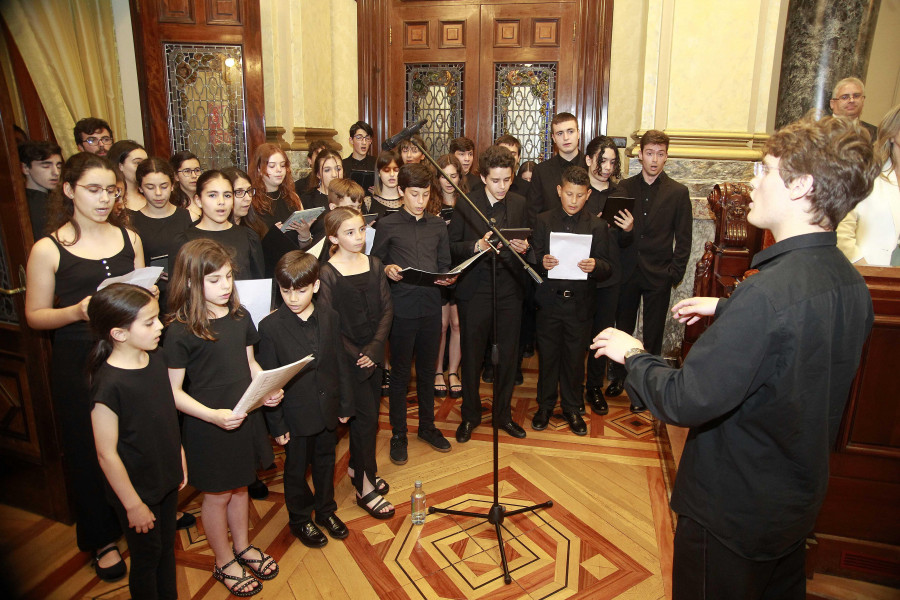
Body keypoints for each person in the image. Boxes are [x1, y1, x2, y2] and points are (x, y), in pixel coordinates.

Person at [591, 115, 878, 600]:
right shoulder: (849, 282)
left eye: (765, 170)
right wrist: (725, 305)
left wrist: (635, 354)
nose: (752, 182)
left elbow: (685, 399)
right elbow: (795, 337)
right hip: (793, 502)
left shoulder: (767, 295)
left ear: (801, 186)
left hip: (732, 510)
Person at [25, 152, 150, 582]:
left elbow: (140, 300)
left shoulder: (128, 238)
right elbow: (35, 315)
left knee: (134, 442)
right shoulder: (49, 248)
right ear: (69, 190)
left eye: (111, 190)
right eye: (93, 190)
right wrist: (77, 311)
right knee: (88, 449)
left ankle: (140, 512)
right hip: (79, 357)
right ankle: (100, 538)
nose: (103, 199)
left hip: (128, 354)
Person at [164, 238, 282, 597]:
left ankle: (243, 547)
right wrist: (212, 416)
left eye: (228, 277)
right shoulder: (180, 330)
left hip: (243, 416)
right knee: (216, 496)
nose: (225, 286)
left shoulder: (239, 316)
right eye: (214, 280)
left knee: (241, 486)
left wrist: (267, 388)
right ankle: (223, 559)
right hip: (208, 424)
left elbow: (250, 364)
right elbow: (173, 392)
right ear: (189, 282)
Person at [88, 284, 186, 600]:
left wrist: (179, 451)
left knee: (166, 550)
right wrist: (133, 505)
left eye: (157, 318)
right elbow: (106, 455)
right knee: (147, 558)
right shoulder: (109, 384)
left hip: (165, 473)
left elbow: (165, 414)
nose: (160, 327)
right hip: (136, 489)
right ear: (118, 333)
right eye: (149, 322)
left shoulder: (154, 358)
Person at [258, 251, 355, 547]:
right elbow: (270, 380)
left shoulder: (330, 316)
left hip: (326, 409)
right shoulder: (270, 327)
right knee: (296, 469)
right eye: (285, 290)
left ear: (315, 286)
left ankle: (325, 510)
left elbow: (339, 362)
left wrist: (345, 403)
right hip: (295, 415)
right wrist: (276, 424)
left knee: (326, 462)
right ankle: (300, 519)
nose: (292, 297)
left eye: (300, 290)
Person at [372, 163, 456, 465]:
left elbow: (444, 263)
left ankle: (427, 426)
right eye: (414, 195)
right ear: (402, 192)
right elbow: (375, 262)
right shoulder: (388, 224)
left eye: (424, 194)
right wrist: (386, 269)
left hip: (431, 307)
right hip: (402, 308)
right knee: (399, 374)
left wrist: (448, 276)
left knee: (427, 372)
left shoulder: (436, 225)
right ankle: (398, 432)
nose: (420, 201)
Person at [449, 145, 531, 442]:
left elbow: (528, 239)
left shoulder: (520, 202)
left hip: (510, 289)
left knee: (509, 357)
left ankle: (503, 416)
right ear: (483, 177)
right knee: (472, 357)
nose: (501, 187)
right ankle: (470, 415)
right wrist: (477, 245)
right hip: (476, 291)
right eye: (495, 180)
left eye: (507, 180)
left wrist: (525, 247)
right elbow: (451, 247)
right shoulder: (466, 204)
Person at [318, 208, 395, 519]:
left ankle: (358, 468)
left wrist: (375, 349)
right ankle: (364, 487)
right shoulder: (327, 273)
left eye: (361, 230)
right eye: (350, 232)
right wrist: (358, 355)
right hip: (346, 359)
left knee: (371, 419)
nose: (359, 237)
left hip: (372, 356)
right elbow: (329, 325)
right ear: (333, 237)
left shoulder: (374, 264)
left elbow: (387, 309)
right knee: (362, 422)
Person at [605, 129, 691, 407]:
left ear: (666, 157)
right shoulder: (624, 189)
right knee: (624, 327)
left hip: (659, 274)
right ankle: (619, 377)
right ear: (640, 155)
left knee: (653, 332)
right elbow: (616, 234)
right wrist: (627, 232)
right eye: (650, 153)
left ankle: (645, 387)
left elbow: (684, 239)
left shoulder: (678, 192)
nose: (654, 159)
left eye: (660, 154)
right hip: (628, 271)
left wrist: (673, 274)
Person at [531, 166, 611, 435]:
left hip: (580, 306)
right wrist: (541, 261)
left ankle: (573, 408)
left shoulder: (598, 226)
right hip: (549, 304)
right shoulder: (543, 220)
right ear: (559, 191)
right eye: (568, 194)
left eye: (579, 195)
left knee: (575, 360)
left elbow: (608, 266)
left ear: (588, 195)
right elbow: (532, 256)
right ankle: (544, 406)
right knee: (549, 357)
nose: (573, 201)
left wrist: (595, 265)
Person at [583, 136, 633, 414]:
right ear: (589, 160)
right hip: (581, 273)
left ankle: (594, 387)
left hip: (610, 275)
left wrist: (628, 230)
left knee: (602, 335)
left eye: (612, 162)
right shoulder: (578, 191)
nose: (607, 167)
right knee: (578, 335)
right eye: (602, 161)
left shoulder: (621, 193)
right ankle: (570, 387)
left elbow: (625, 244)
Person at [169, 170, 264, 280]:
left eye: (227, 195)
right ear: (198, 200)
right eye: (212, 195)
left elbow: (258, 284)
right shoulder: (184, 241)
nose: (221, 202)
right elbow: (177, 290)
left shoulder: (248, 237)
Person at [837, 103, 900, 266]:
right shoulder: (866, 174)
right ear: (892, 133)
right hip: (864, 274)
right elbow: (842, 234)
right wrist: (867, 271)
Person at [130, 158, 194, 310]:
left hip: (185, 296)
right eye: (150, 187)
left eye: (164, 186)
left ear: (172, 186)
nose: (158, 193)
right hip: (151, 297)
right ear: (140, 188)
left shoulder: (188, 217)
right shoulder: (132, 222)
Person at [432, 155, 465, 399]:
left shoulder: (467, 203)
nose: (448, 181)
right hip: (439, 267)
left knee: (457, 324)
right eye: (443, 176)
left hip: (463, 268)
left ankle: (453, 371)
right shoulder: (431, 203)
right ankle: (437, 372)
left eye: (453, 176)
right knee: (441, 326)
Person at [528, 112, 587, 221]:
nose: (566, 137)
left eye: (570, 131)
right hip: (549, 234)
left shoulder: (591, 166)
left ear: (578, 134)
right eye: (560, 133)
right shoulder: (541, 171)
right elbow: (533, 213)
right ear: (553, 138)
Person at [18, 139, 63, 240]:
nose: (55, 172)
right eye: (46, 166)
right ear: (25, 168)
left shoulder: (57, 199)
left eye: (59, 166)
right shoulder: (22, 206)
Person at [830, 76, 878, 141]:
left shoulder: (875, 134)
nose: (852, 100)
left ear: (863, 100)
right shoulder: (819, 130)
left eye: (856, 96)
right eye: (844, 97)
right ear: (832, 104)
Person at [108, 140, 149, 212]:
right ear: (120, 166)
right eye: (137, 163)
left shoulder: (153, 197)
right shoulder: (109, 200)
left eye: (146, 163)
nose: (144, 167)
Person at [366, 150, 402, 216]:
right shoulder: (368, 202)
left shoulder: (409, 201)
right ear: (379, 173)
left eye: (396, 170)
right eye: (386, 170)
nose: (392, 174)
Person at [170, 151, 202, 221]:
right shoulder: (171, 205)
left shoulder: (206, 199)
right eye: (187, 171)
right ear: (176, 176)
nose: (194, 176)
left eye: (197, 170)